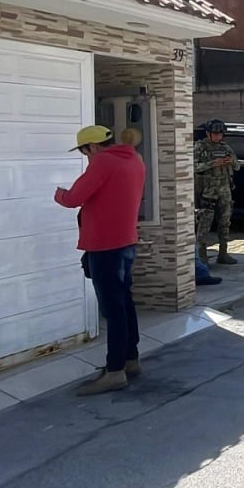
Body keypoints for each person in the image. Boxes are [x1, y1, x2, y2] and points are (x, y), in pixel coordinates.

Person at [54, 125, 146, 396]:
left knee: (113, 308)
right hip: (127, 242)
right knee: (125, 302)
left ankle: (115, 371)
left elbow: (74, 198)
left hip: (105, 246)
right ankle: (131, 359)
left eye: (84, 151)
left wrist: (58, 193)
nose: (86, 157)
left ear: (92, 147)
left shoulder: (102, 162)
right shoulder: (134, 159)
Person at [194, 119, 240, 265]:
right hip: (208, 191)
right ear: (208, 133)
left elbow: (238, 166)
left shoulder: (225, 147)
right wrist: (213, 163)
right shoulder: (200, 147)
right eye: (216, 134)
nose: (219, 137)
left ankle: (223, 253)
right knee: (204, 224)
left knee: (225, 222)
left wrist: (230, 161)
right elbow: (194, 166)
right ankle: (202, 257)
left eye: (221, 134)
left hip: (225, 189)